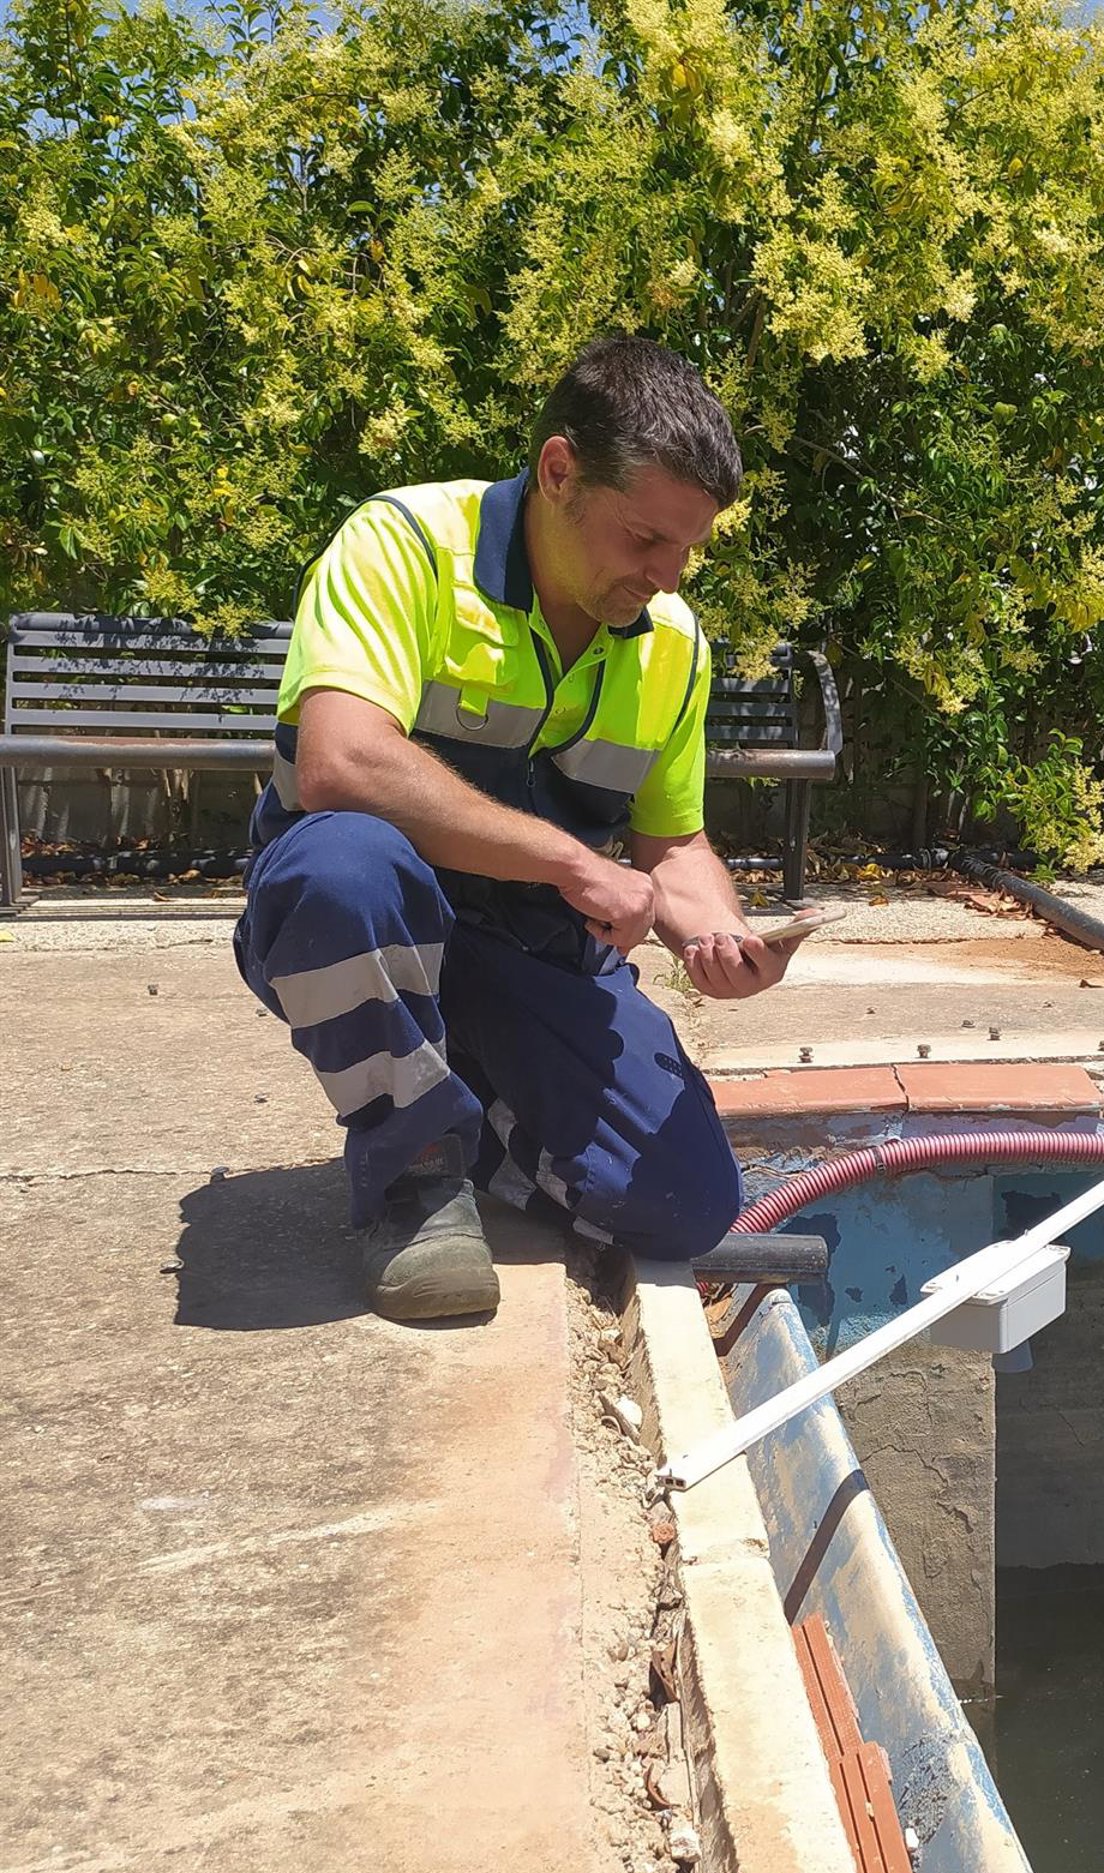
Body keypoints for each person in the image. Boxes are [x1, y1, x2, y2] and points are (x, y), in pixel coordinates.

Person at [234, 336, 785, 1321]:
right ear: (559, 471)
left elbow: (674, 846)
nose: (668, 575)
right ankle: (412, 1175)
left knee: (686, 1204)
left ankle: (454, 1100)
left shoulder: (675, 646)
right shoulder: (404, 544)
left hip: (531, 948)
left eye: (688, 548)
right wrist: (571, 861)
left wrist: (719, 936)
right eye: (645, 539)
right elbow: (339, 762)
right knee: (342, 866)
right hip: (368, 920)